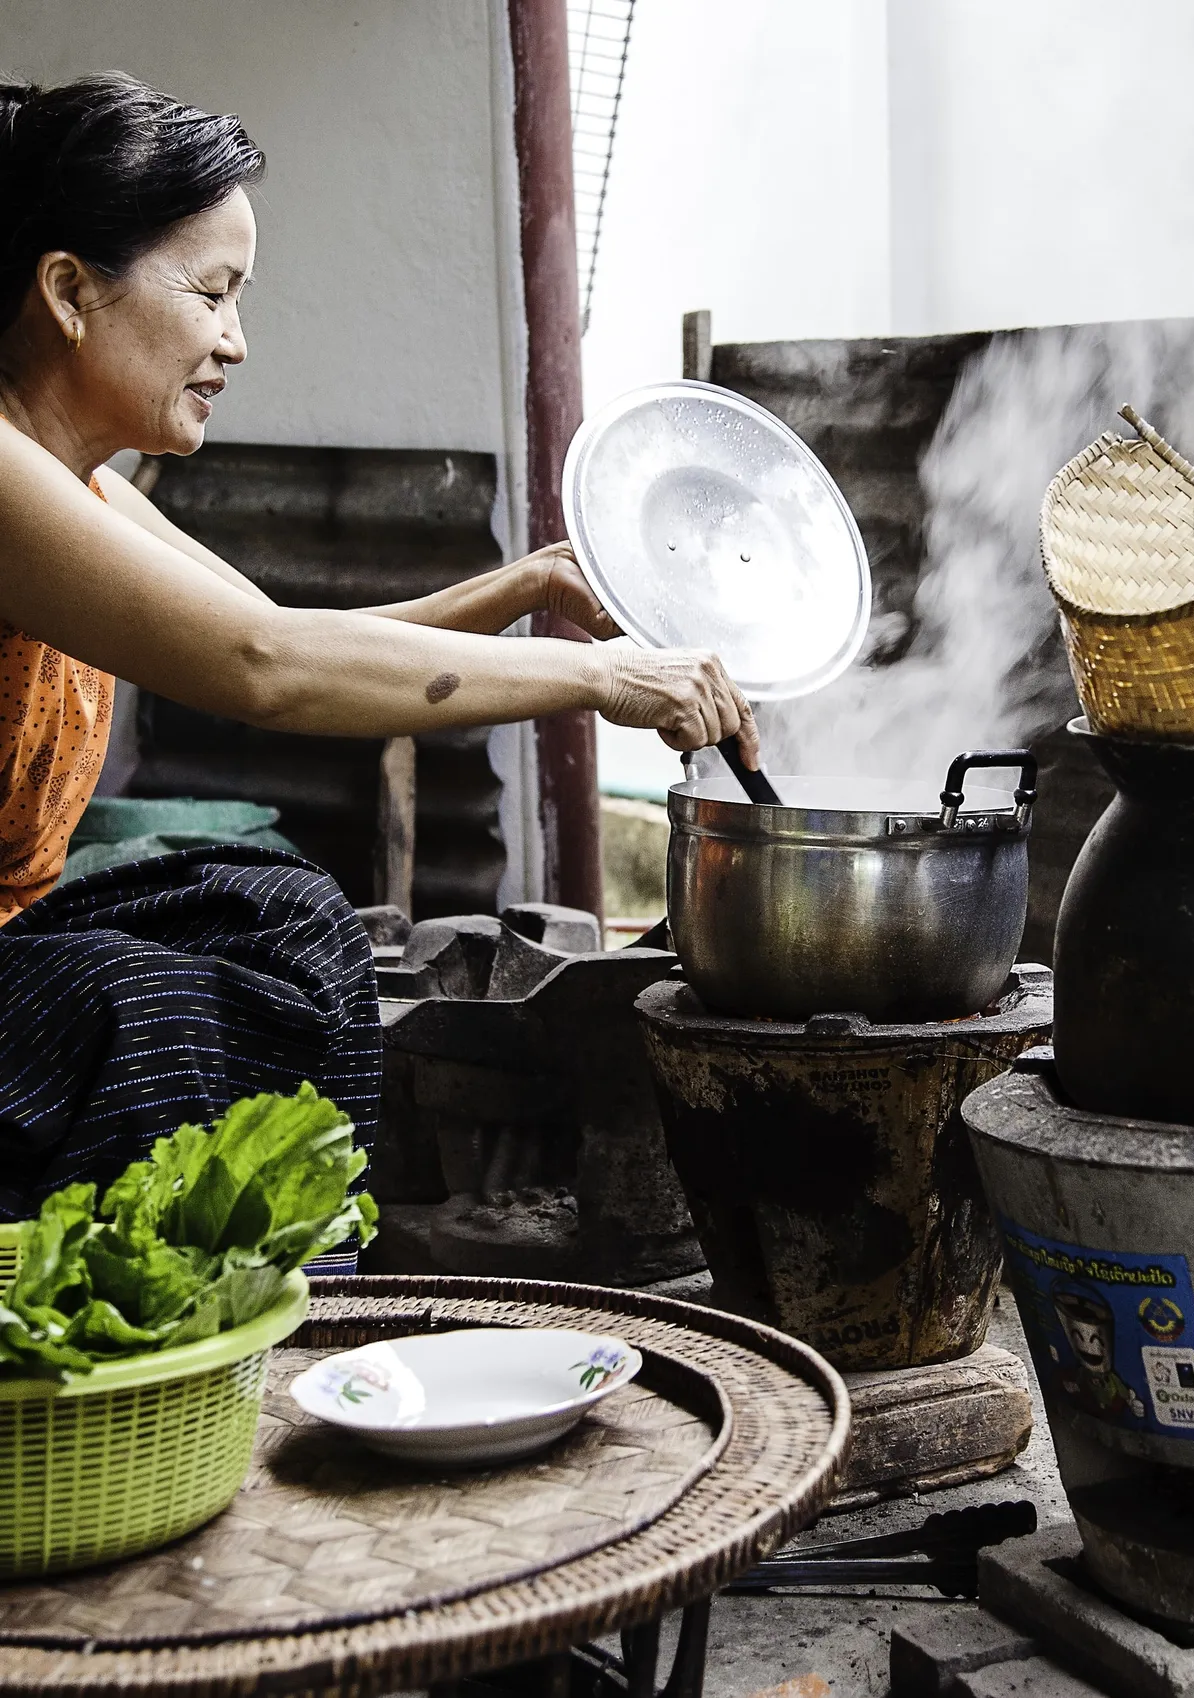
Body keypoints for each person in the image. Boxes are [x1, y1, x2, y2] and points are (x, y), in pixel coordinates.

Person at [0, 72, 760, 1219]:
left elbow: (287, 639)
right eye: (212, 295)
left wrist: (526, 584)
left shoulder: (78, 487)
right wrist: (603, 676)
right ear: (68, 290)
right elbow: (266, 668)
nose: (234, 343)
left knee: (284, 914)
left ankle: (287, 1268)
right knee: (148, 1002)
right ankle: (124, 1286)